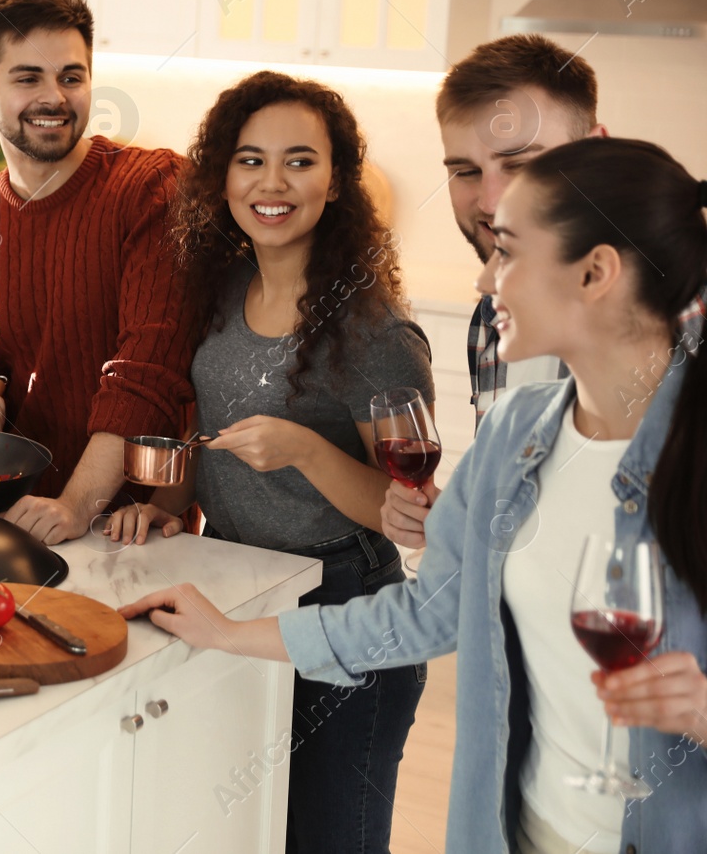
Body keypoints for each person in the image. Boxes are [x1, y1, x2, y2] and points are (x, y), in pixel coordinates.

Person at [124, 138, 707, 854]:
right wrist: (228, 631)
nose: (487, 281)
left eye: (509, 252)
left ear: (594, 272)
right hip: (525, 831)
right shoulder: (517, 436)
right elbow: (429, 609)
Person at [106, 71, 431, 854]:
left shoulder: (373, 330)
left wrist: (306, 451)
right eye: (250, 160)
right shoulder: (223, 289)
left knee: (331, 840)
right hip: (235, 588)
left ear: (337, 182)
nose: (272, 182)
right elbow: (208, 428)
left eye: (299, 160)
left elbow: (406, 514)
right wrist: (164, 501)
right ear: (222, 176)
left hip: (341, 602)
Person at [381, 34, 706, 548]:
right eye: (466, 171)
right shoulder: (496, 317)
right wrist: (458, 524)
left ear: (594, 152)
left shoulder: (685, 321)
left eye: (521, 163)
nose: (491, 201)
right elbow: (523, 516)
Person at [0, 0, 195, 544]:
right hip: (22, 516)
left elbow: (146, 368)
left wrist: (76, 505)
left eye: (71, 77)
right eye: (28, 78)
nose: (54, 97)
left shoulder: (152, 188)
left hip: (141, 530)